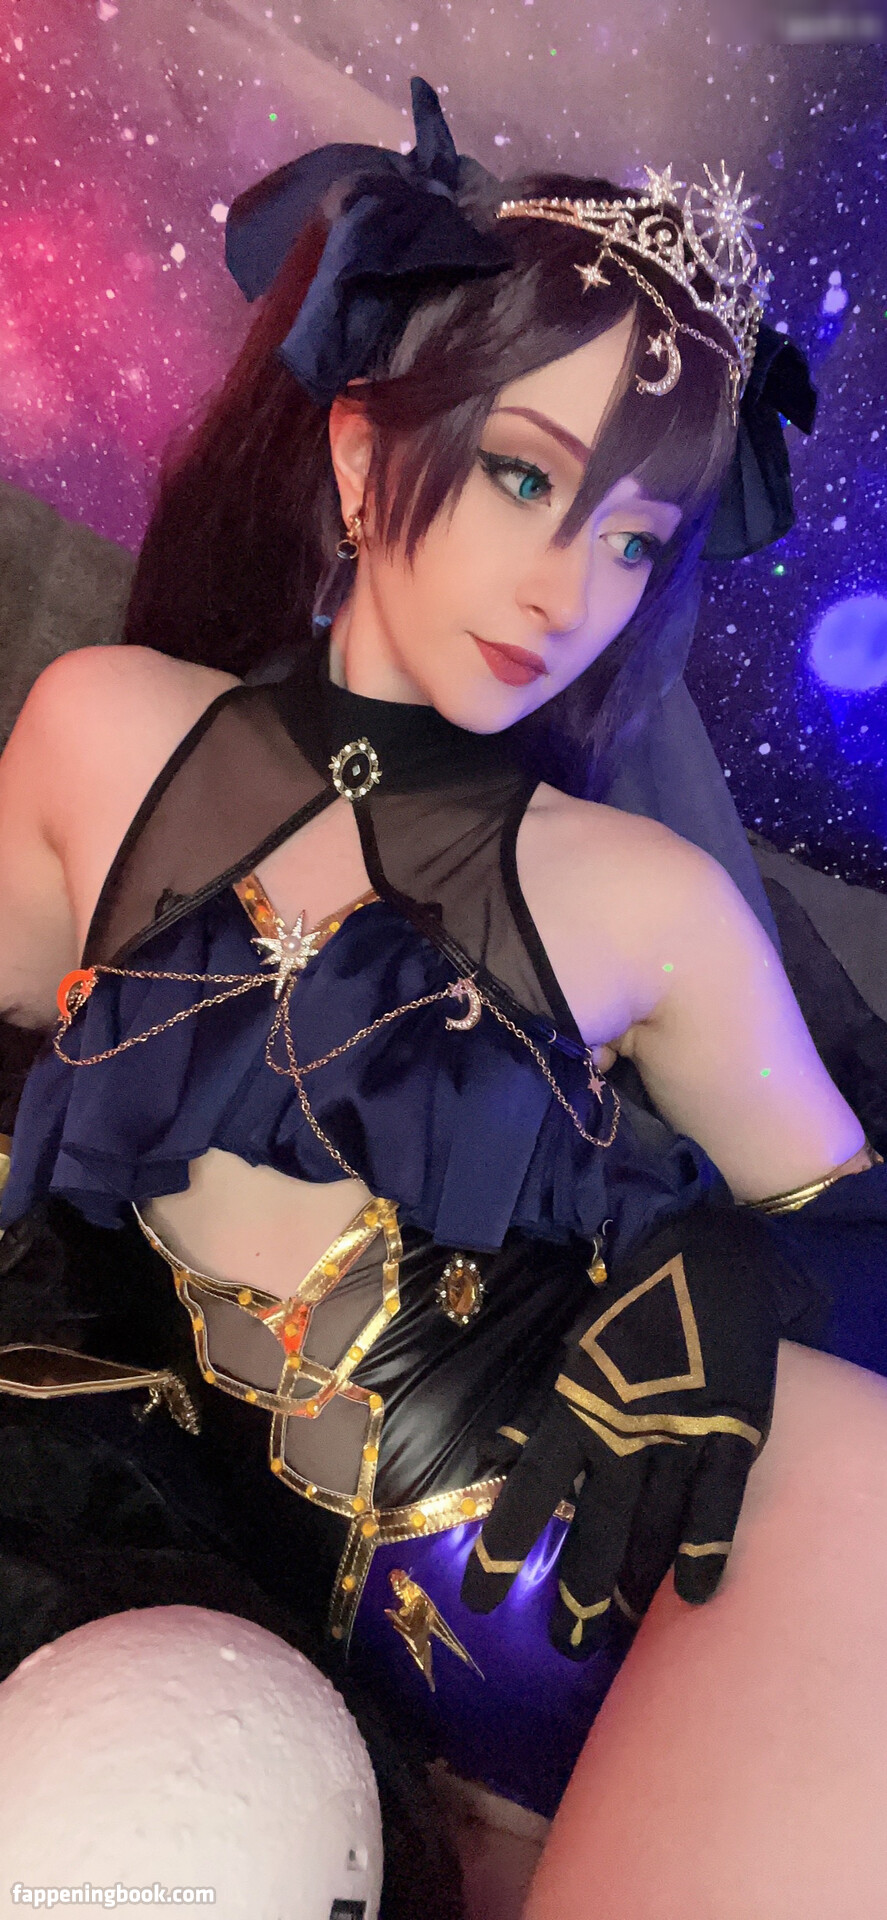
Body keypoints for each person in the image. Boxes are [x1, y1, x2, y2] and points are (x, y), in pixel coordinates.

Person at [2, 77, 887, 1918]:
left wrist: (752, 1271)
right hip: (304, 1654)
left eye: (635, 537)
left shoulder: (650, 900)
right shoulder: (105, 731)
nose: (572, 588)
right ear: (357, 452)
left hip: (684, 1570)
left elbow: (860, 1231)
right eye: (525, 476)